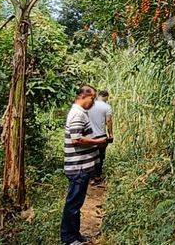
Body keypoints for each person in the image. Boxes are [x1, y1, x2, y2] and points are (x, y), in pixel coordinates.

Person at [60, 85, 108, 245]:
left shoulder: (80, 113)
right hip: (78, 167)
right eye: (92, 99)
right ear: (82, 97)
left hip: (81, 167)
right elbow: (76, 139)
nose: (93, 102)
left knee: (77, 203)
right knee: (73, 204)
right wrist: (97, 142)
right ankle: (69, 238)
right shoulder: (77, 114)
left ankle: (75, 234)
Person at [88, 90, 113, 184]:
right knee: (100, 157)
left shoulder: (89, 105)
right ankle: (97, 177)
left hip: (89, 136)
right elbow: (108, 121)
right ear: (106, 96)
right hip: (101, 136)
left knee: (90, 156)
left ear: (98, 96)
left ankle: (90, 177)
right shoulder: (107, 107)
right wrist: (111, 134)